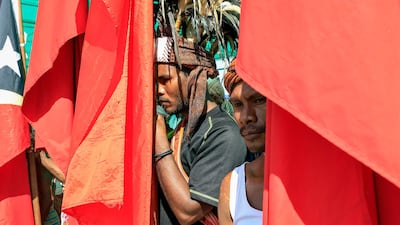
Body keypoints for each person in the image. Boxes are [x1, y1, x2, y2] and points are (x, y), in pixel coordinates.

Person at [155, 36, 248, 225]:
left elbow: (188, 213)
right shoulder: (181, 129)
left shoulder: (224, 135)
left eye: (165, 80)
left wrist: (158, 139)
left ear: (194, 77)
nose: (159, 90)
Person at [218, 59, 266, 225]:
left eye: (259, 100)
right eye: (238, 104)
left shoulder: (322, 178)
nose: (246, 117)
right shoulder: (233, 185)